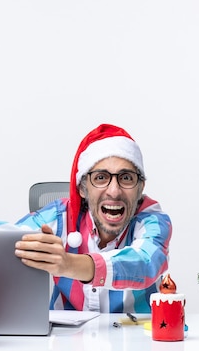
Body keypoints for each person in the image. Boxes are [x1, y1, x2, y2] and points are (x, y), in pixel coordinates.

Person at [15, 123, 172, 313]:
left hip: (137, 336)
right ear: (82, 188)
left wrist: (68, 264)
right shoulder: (59, 216)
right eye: (100, 178)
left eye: (126, 178)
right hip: (65, 338)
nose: (114, 191)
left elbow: (146, 263)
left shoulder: (153, 220)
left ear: (141, 187)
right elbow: (4, 241)